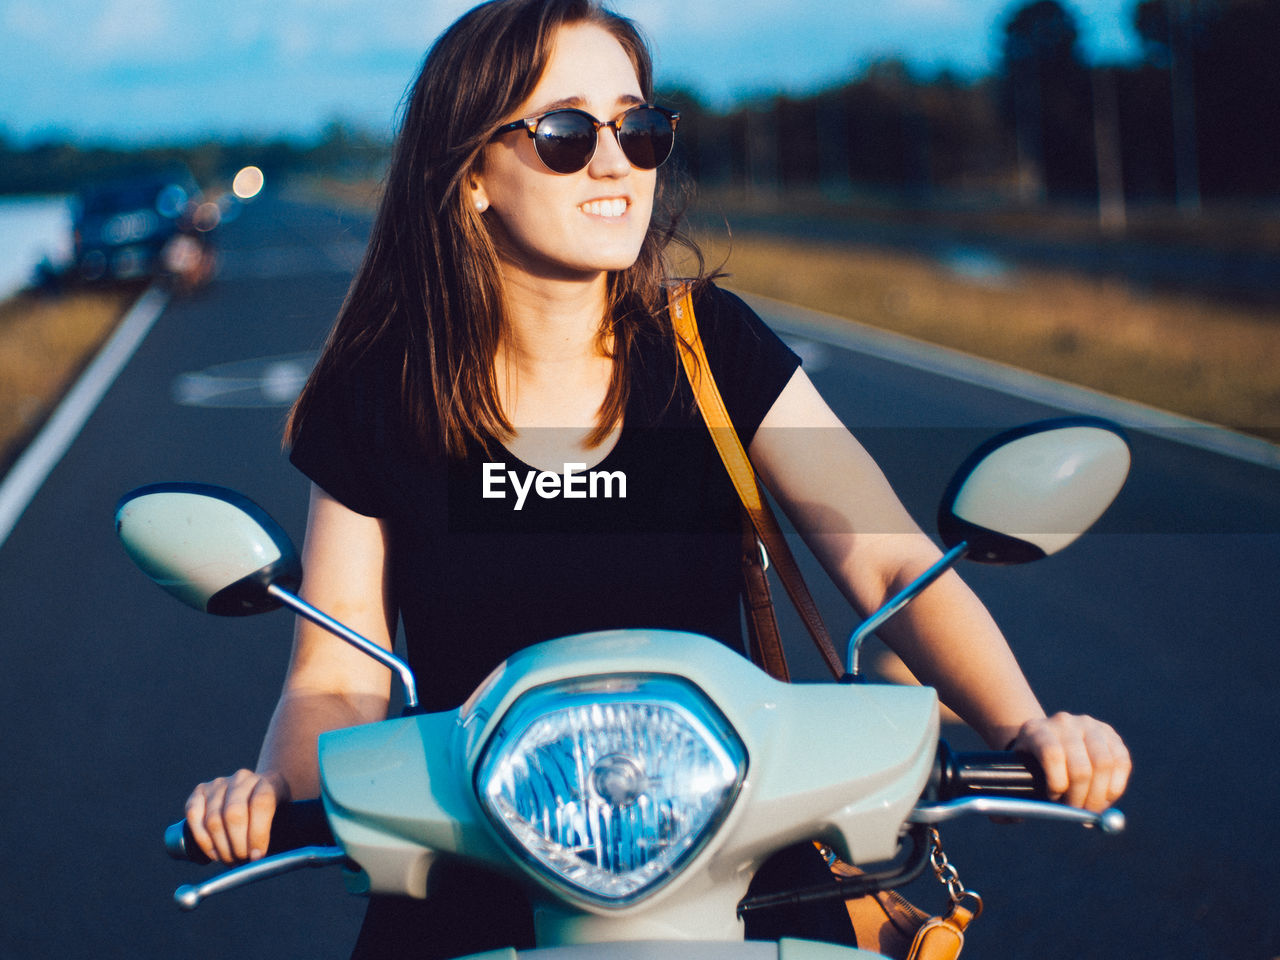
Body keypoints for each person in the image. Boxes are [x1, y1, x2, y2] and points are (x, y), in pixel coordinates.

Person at [184, 0, 1131, 955]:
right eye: (564, 133)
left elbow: (893, 568)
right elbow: (339, 674)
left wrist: (1030, 728)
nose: (614, 162)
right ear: (472, 172)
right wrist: (270, 795)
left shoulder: (710, 347)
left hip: (748, 879)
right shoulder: (382, 396)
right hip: (479, 888)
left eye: (638, 128)